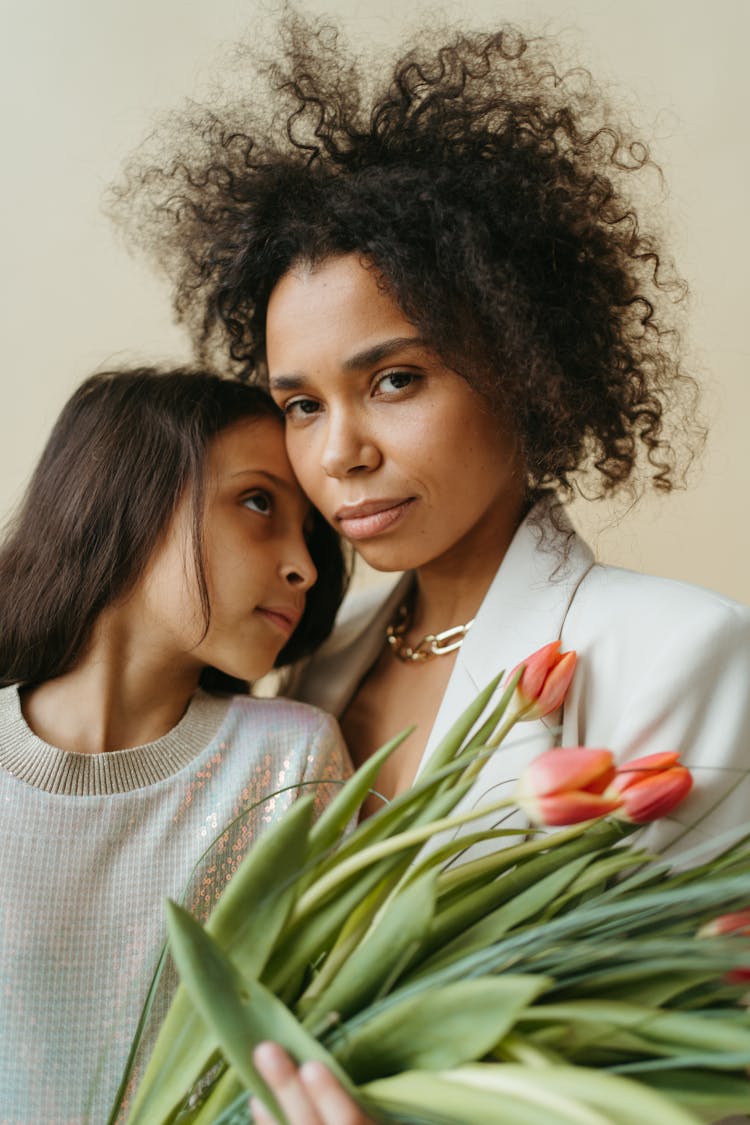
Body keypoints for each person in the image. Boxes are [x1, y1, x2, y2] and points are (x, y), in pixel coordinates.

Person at [114, 14, 750, 1121]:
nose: (339, 452)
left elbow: (703, 1062)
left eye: (394, 380)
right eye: (300, 405)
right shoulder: (307, 674)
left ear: (524, 363)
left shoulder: (684, 653)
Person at [0, 367, 350, 1123]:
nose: (305, 565)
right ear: (129, 491)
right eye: (259, 502)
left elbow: (333, 1034)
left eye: (312, 532)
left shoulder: (291, 762)